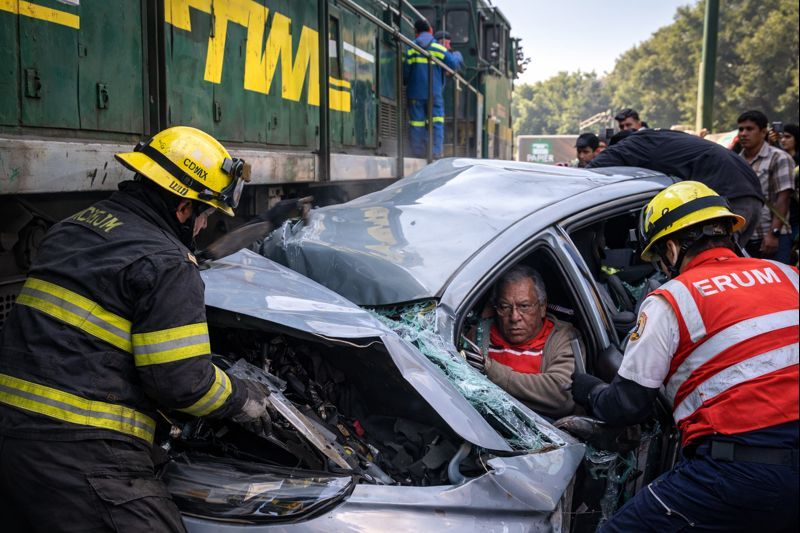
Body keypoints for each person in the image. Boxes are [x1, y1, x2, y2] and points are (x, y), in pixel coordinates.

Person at [0, 126, 290, 532]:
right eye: (206, 213)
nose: (205, 226)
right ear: (184, 209)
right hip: (80, 453)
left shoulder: (74, 226)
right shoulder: (167, 264)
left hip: (12, 437)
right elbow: (182, 384)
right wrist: (243, 399)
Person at [571, 181, 798, 532]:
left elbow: (629, 404)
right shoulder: (787, 275)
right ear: (728, 231)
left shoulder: (673, 298)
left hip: (737, 474)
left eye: (660, 258)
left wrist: (588, 390)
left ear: (673, 248)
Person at [588, 128, 764, 245]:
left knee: (714, 264)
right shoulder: (662, 138)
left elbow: (587, 175)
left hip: (731, 196)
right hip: (751, 192)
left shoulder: (630, 145)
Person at [471, 265, 583, 419]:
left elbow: (561, 396)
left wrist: (490, 370)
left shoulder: (562, 337)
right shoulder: (479, 335)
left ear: (542, 307)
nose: (514, 317)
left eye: (524, 306)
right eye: (505, 307)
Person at [736, 110, 796, 261]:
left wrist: (773, 234)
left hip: (773, 238)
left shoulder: (779, 157)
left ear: (763, 132)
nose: (743, 133)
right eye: (741, 129)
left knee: (778, 282)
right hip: (744, 238)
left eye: (749, 129)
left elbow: (784, 197)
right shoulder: (736, 160)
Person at [404, 19, 461, 159]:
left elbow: (405, 73)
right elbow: (453, 64)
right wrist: (458, 55)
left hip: (415, 93)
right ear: (430, 31)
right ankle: (435, 152)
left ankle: (418, 152)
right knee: (436, 122)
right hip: (434, 93)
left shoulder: (411, 48)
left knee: (417, 122)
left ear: (416, 32)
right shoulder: (437, 48)